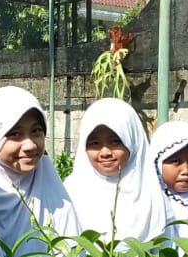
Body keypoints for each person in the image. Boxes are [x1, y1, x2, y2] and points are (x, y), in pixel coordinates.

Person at [0, 86, 80, 257]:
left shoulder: (51, 189)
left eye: (36, 131)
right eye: (14, 134)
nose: (30, 145)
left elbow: (71, 253)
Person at [64, 98, 167, 243]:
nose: (105, 152)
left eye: (115, 141)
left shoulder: (153, 192)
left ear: (133, 140)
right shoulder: (69, 193)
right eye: (94, 143)